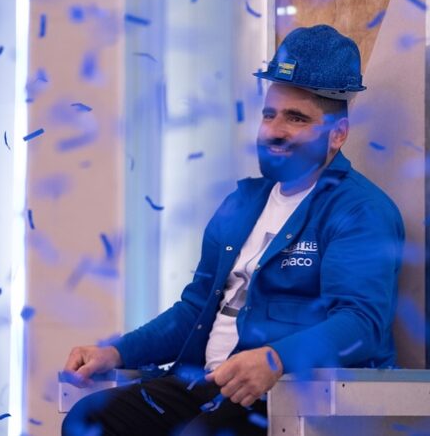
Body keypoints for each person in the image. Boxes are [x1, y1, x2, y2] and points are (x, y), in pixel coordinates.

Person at [61, 24, 405, 436]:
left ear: (338, 135)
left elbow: (361, 323)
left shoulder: (360, 211)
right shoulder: (242, 203)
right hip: (203, 384)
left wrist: (276, 359)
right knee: (89, 420)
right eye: (269, 114)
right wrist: (116, 353)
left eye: (296, 118)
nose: (274, 130)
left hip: (283, 396)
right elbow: (194, 309)